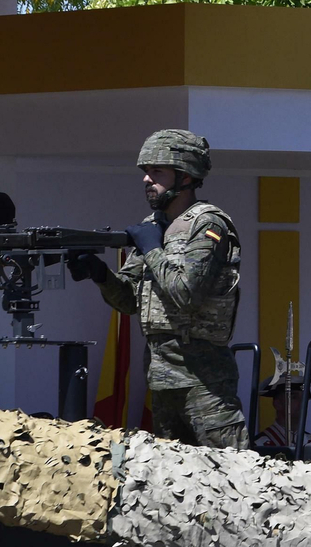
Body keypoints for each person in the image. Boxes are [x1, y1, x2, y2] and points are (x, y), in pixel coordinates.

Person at [68, 130, 246, 448]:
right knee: (172, 474)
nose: (147, 179)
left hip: (204, 384)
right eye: (146, 171)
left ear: (186, 176)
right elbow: (128, 301)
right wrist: (100, 274)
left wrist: (151, 248)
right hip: (162, 380)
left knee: (227, 471)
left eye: (157, 171)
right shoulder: (154, 225)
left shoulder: (207, 225)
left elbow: (186, 295)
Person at [253, 357, 308, 450]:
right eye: (294, 397)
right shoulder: (260, 445)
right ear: (277, 404)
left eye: (304, 398)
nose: (301, 402)